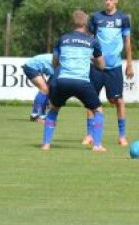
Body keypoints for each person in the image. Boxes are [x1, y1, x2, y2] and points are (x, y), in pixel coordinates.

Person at [42, 10, 107, 152]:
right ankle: (97, 145)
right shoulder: (92, 41)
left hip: (63, 81)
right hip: (82, 82)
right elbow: (102, 65)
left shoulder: (62, 39)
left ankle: (46, 144)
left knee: (53, 109)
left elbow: (54, 62)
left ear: (73, 23)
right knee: (98, 111)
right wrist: (92, 61)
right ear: (86, 24)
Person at [87, 0, 133, 146]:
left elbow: (127, 42)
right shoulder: (95, 17)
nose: (108, 2)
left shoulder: (123, 19)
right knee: (91, 100)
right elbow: (89, 40)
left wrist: (129, 64)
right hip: (97, 66)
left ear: (117, 0)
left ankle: (122, 136)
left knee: (118, 101)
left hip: (115, 67)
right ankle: (90, 134)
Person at [22, 53, 55, 121]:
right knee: (44, 89)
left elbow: (51, 84)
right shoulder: (61, 65)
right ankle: (34, 115)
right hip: (30, 67)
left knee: (47, 90)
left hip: (35, 67)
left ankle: (42, 115)